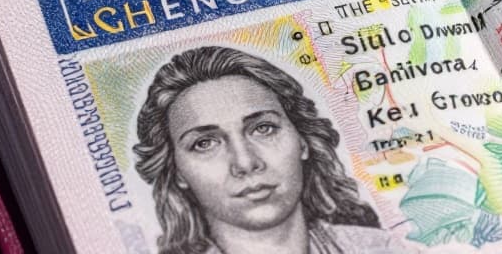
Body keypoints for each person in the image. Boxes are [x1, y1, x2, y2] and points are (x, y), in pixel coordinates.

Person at [134, 45, 412, 254]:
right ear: (177, 171)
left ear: (302, 140)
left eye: (263, 128)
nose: (245, 163)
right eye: (204, 143)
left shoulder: (382, 248)